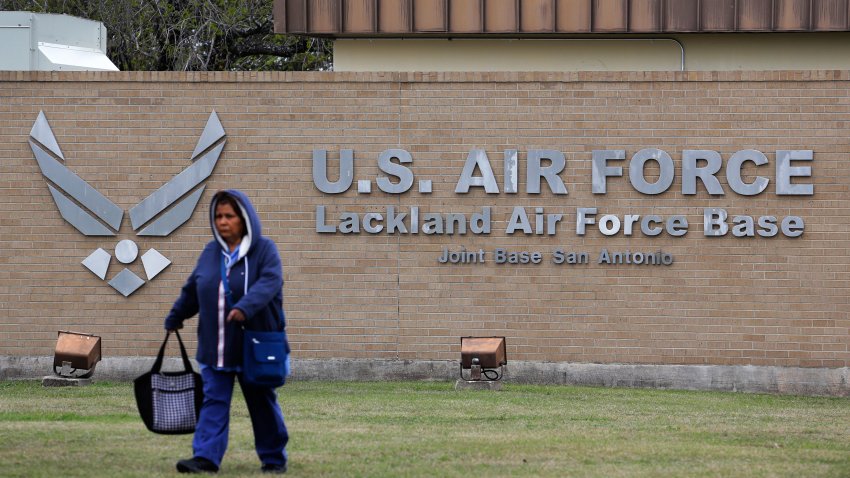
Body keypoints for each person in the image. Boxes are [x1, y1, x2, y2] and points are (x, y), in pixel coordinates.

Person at [164, 189, 289, 474]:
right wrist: (176, 316)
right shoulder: (211, 252)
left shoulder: (265, 250)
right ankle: (206, 458)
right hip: (215, 346)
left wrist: (245, 306)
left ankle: (273, 458)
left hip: (254, 347)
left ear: (244, 219)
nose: (222, 221)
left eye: (229, 216)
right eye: (218, 216)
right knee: (214, 402)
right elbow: (194, 288)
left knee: (262, 405)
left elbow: (270, 282)